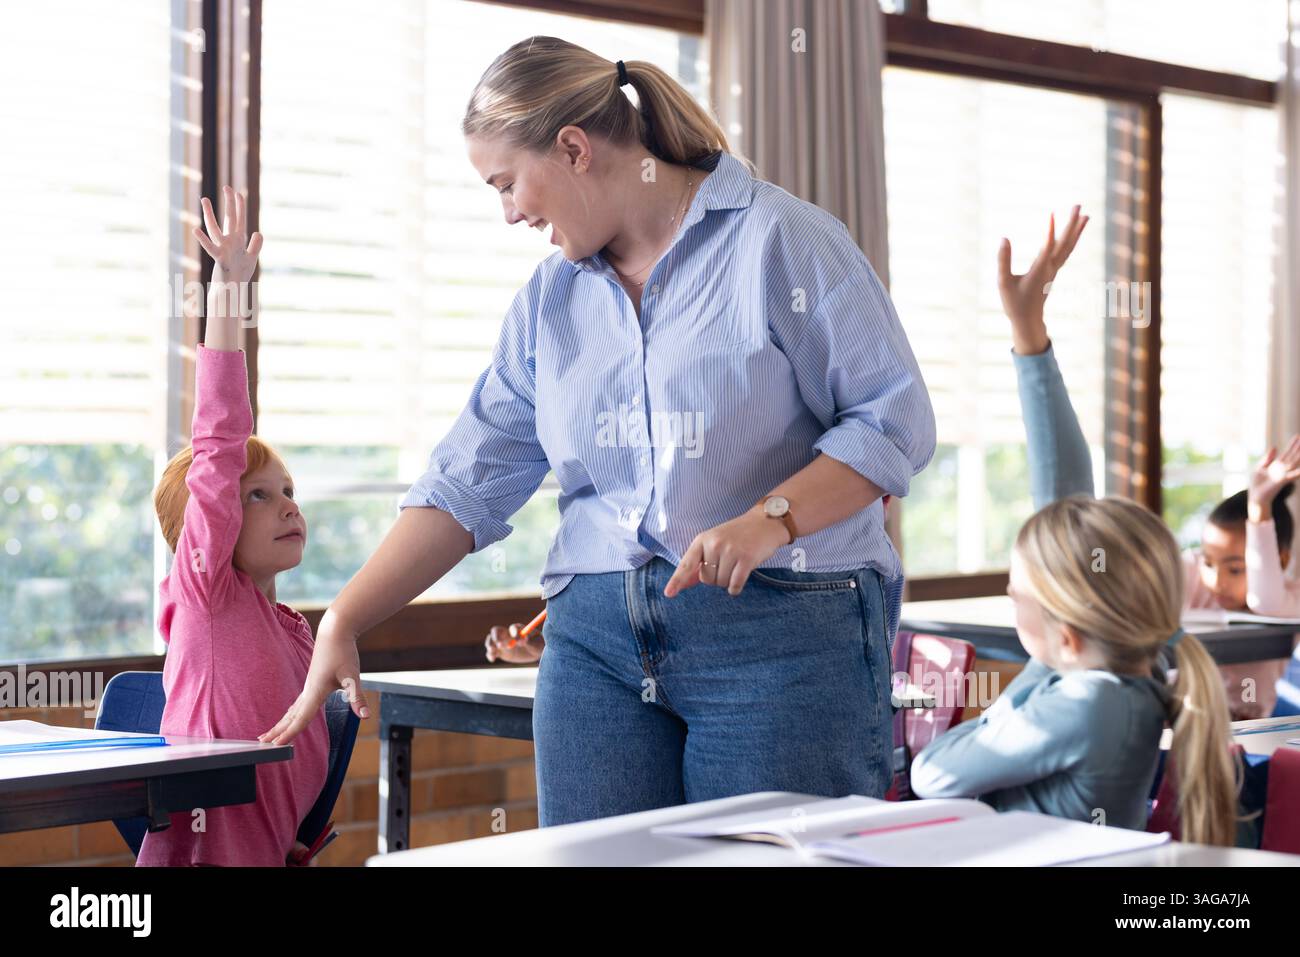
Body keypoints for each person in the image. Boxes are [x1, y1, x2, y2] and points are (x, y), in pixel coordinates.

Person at [260, 37, 935, 826]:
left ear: (574, 148)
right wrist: (344, 618)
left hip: (780, 631)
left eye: (507, 183)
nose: (509, 211)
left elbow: (893, 418)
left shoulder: (780, 242)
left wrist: (769, 520)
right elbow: (467, 480)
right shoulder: (551, 303)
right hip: (596, 647)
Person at [999, 205, 1300, 718]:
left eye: (1234, 567)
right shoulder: (1187, 582)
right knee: (1076, 534)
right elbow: (1079, 531)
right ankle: (1030, 335)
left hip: (1239, 739)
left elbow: (1267, 602)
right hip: (1171, 727)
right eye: (1210, 562)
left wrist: (1260, 513)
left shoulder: (1279, 598)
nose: (1217, 579)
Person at [139, 187, 327, 866]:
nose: (287, 505)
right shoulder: (206, 596)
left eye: (289, 492)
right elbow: (219, 437)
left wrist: (287, 844)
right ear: (205, 523)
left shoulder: (300, 634)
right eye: (256, 496)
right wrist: (229, 290)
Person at [911, 495, 1239, 845]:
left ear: (1067, 636)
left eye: (1016, 598)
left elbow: (933, 773)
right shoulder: (1134, 680)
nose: (1013, 607)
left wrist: (1041, 663)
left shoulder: (1085, 702)